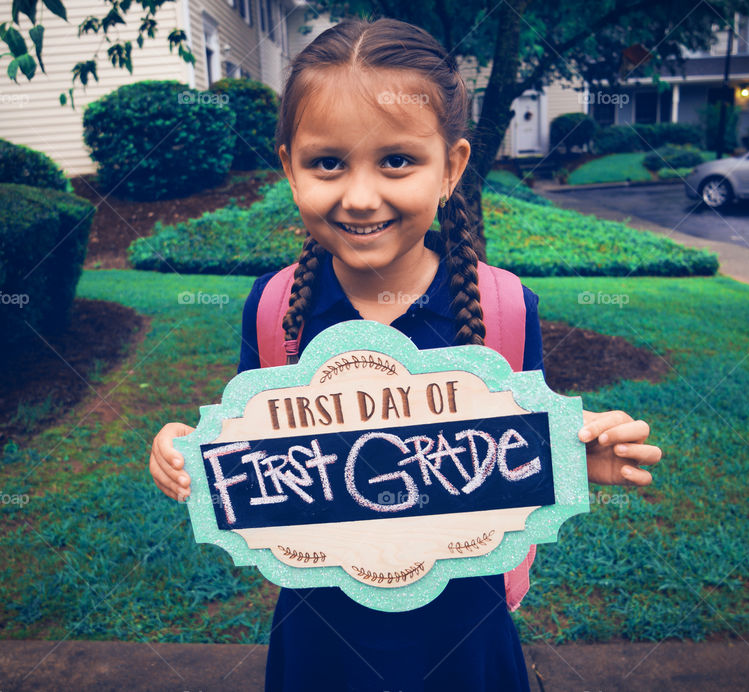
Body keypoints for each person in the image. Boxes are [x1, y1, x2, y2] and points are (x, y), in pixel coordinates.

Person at [148, 17, 662, 691]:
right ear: (288, 168)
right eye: (327, 162)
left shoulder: (505, 307)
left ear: (450, 166)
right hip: (321, 632)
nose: (361, 197)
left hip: (463, 635)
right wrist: (186, 450)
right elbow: (255, 449)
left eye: (397, 160)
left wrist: (573, 455)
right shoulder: (273, 308)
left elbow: (519, 455)